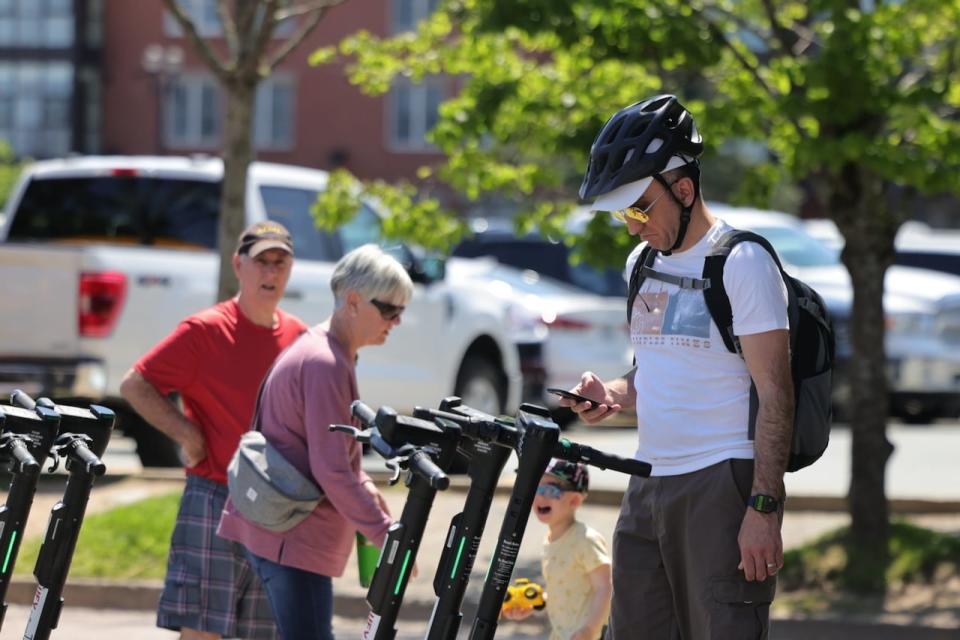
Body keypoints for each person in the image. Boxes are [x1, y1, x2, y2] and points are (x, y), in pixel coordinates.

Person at [562, 94, 794, 640]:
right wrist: (612, 393)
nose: (630, 227)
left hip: (722, 480)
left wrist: (764, 507)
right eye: (623, 213)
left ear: (683, 189)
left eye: (639, 209)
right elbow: (656, 372)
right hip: (648, 480)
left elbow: (776, 394)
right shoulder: (640, 264)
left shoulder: (742, 263)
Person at [120, 220, 307, 640]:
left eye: (280, 262)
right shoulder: (204, 331)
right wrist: (187, 434)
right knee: (201, 635)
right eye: (262, 262)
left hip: (278, 512)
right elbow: (136, 384)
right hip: (215, 501)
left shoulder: (300, 338)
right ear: (238, 265)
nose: (271, 273)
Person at [217, 244, 414, 640]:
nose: (395, 321)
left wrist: (366, 489)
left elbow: (328, 454)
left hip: (281, 533)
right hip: (293, 540)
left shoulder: (323, 350)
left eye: (401, 312)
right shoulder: (326, 363)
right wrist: (389, 537)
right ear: (354, 301)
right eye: (389, 310)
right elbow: (331, 469)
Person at [503, 459, 612, 640]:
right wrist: (535, 602)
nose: (539, 497)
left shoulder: (586, 540)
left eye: (549, 490)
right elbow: (565, 590)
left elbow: (605, 588)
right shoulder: (550, 540)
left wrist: (589, 630)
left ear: (574, 500)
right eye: (535, 488)